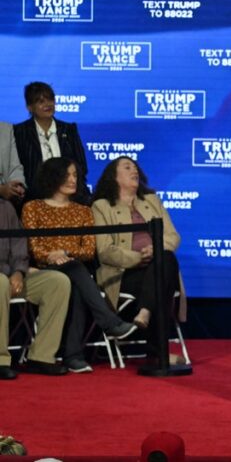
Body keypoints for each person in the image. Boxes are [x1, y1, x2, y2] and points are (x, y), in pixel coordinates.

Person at [21, 157, 138, 373]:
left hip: (74, 270)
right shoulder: (33, 208)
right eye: (67, 175)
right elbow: (33, 248)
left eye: (75, 175)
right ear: (52, 177)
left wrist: (65, 253)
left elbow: (88, 250)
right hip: (44, 270)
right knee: (76, 271)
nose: (73, 179)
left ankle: (72, 356)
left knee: (75, 276)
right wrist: (51, 257)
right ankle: (104, 327)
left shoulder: (83, 211)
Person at [91, 157, 183, 363]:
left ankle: (145, 312)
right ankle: (159, 353)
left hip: (158, 265)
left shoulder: (151, 200)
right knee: (161, 276)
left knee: (165, 260)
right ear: (113, 177)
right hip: (124, 273)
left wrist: (156, 249)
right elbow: (105, 250)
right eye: (127, 167)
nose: (134, 170)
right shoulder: (101, 206)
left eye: (135, 167)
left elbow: (173, 236)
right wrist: (139, 257)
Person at [0, 198, 72, 378]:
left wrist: (18, 272)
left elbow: (18, 246)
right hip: (1, 278)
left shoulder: (5, 207)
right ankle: (1, 360)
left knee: (57, 281)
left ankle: (41, 357)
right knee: (0, 282)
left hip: (11, 274)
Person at [13, 82, 90, 204]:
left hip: (70, 198)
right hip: (33, 198)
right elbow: (18, 169)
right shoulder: (19, 132)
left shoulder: (69, 129)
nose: (47, 104)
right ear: (29, 107)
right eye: (40, 101)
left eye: (50, 99)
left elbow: (81, 166)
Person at [0, 121, 26, 205]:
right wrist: (1, 189)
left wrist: (17, 186)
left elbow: (14, 165)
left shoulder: (6, 128)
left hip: (6, 204)